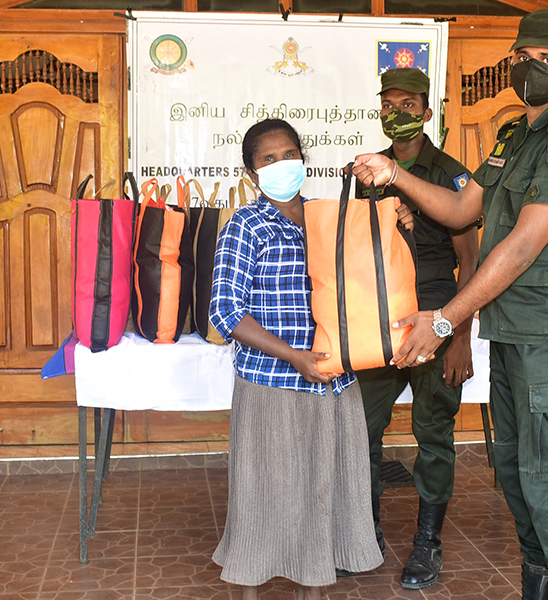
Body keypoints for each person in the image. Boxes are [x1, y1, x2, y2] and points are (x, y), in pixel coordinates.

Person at [352, 10, 548, 600]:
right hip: (515, 334)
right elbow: (464, 211)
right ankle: (538, 586)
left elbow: (519, 247)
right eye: (524, 57)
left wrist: (446, 321)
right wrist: (395, 173)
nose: (533, 68)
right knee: (519, 478)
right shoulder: (514, 137)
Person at [210, 118, 383, 600]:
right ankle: (248, 589)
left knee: (319, 497)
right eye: (268, 159)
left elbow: (366, 283)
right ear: (251, 173)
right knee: (261, 497)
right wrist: (294, 357)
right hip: (271, 383)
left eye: (289, 155)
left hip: (332, 382)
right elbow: (225, 312)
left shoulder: (330, 218)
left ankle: (313, 590)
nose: (281, 165)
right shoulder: (244, 226)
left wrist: (398, 224)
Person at [349, 67, 480, 590]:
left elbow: (470, 263)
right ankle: (367, 531)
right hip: (379, 328)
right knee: (359, 431)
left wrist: (460, 339)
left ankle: (428, 542)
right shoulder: (365, 175)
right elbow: (355, 255)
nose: (397, 114)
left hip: (435, 324)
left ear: (427, 114)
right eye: (389, 104)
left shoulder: (451, 174)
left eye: (409, 106)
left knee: (433, 436)